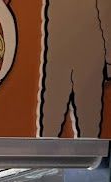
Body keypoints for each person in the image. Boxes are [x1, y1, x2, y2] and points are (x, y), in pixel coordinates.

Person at [39, 0, 111, 137]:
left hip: (59, 52)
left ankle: (44, 155)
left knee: (50, 122)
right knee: (89, 125)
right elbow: (107, 20)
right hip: (88, 56)